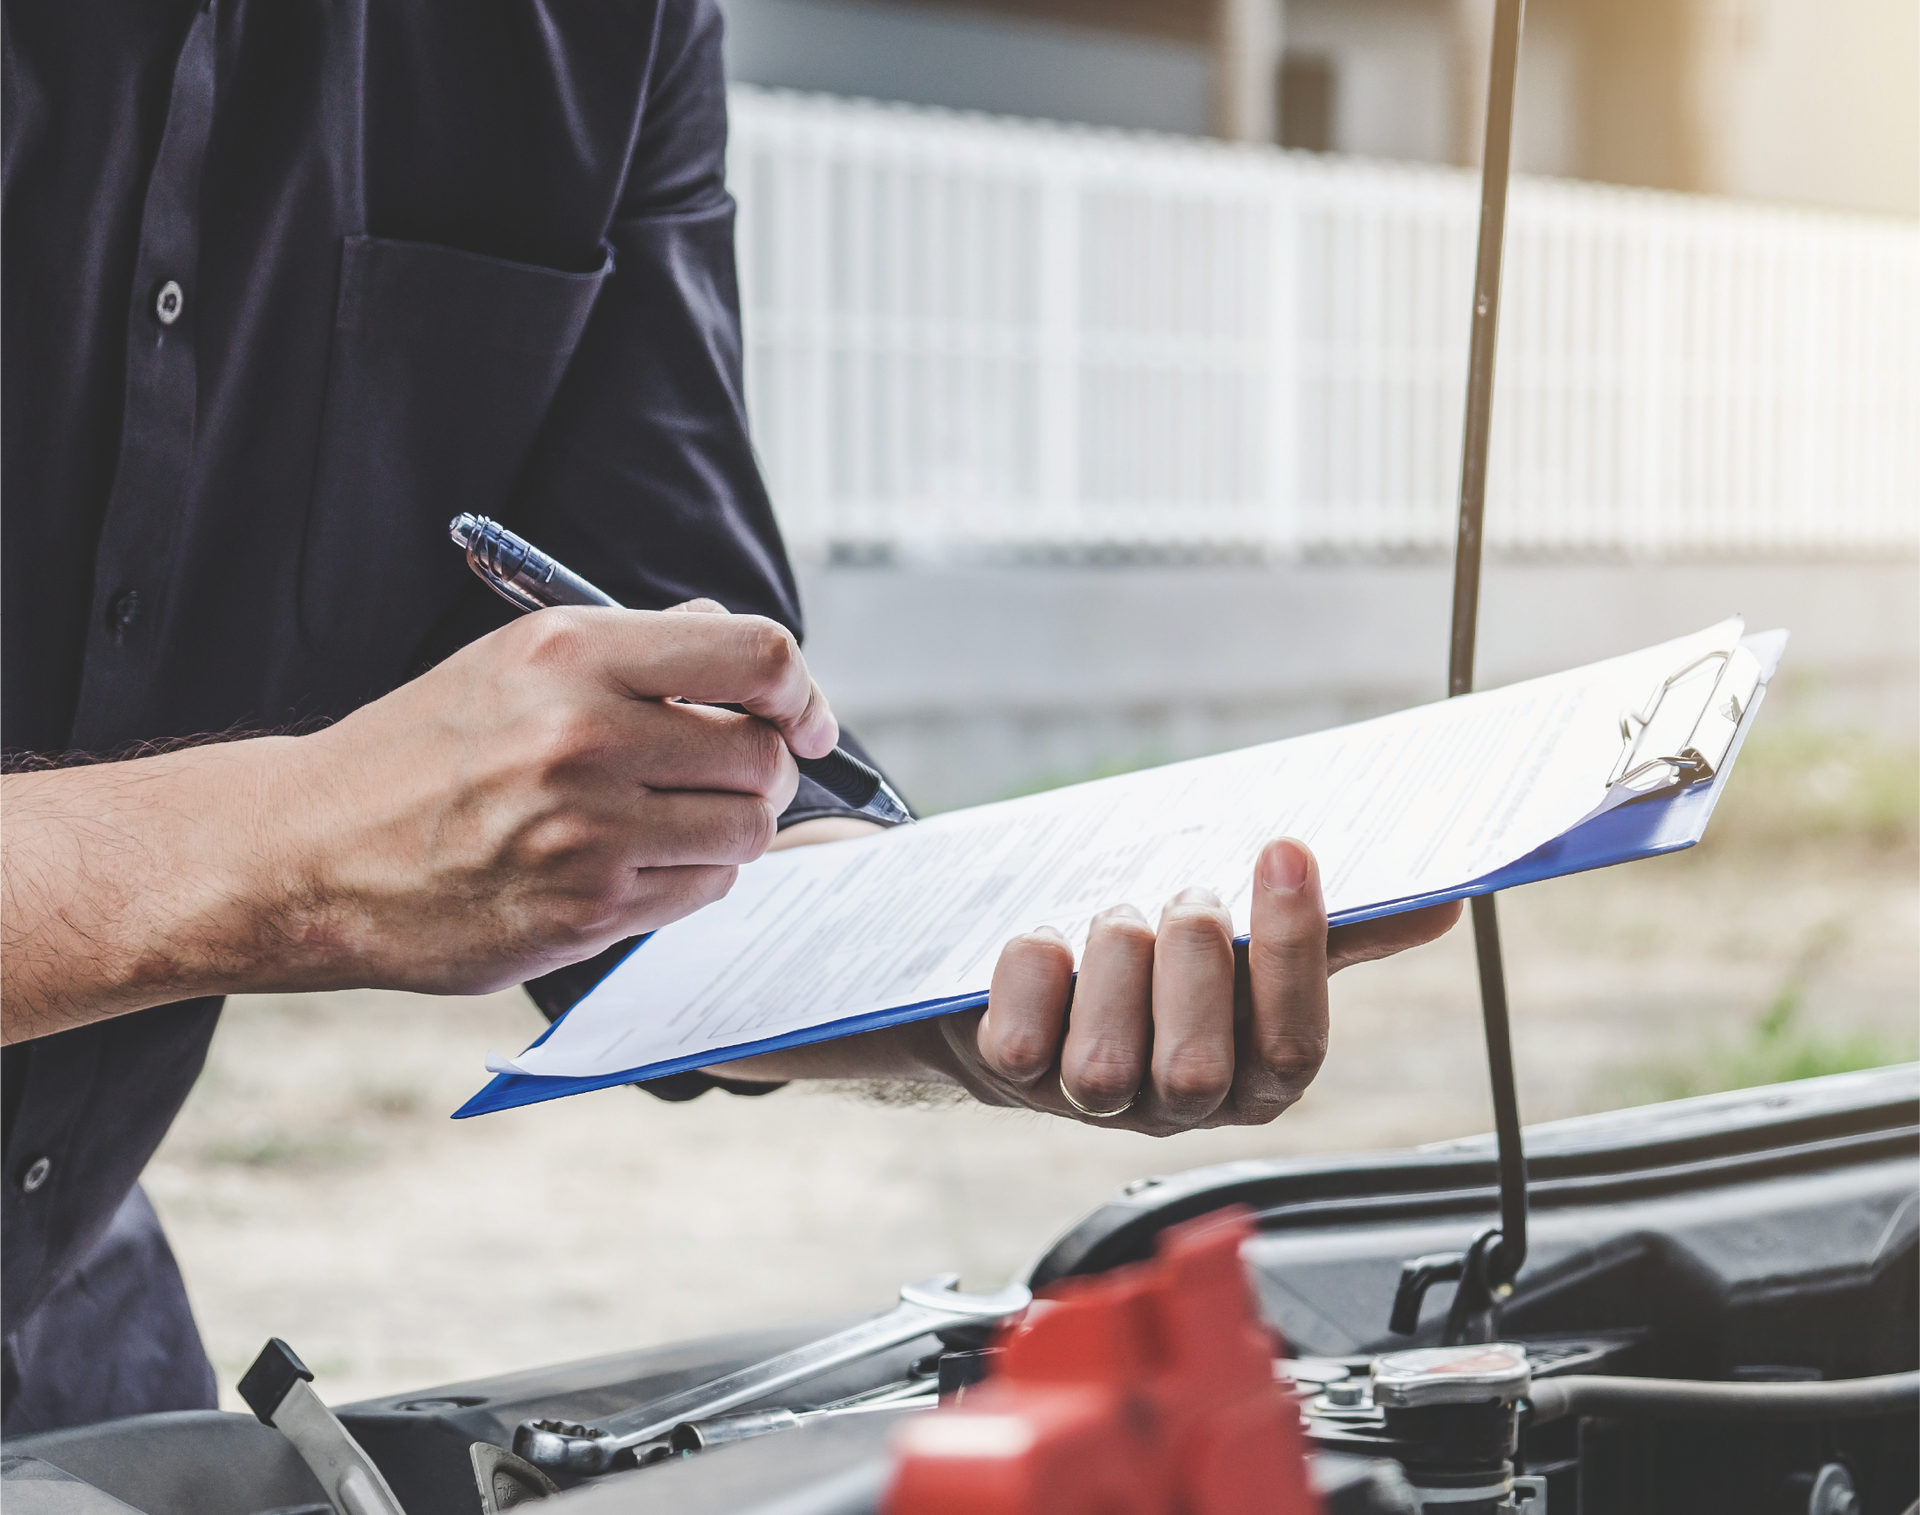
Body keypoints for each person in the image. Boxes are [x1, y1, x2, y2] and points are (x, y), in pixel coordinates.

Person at [0, 2, 1456, 1434]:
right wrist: (277, 848)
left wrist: (956, 951)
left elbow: (671, 758)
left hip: (71, 1331)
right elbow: (312, 836)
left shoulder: (603, 34)